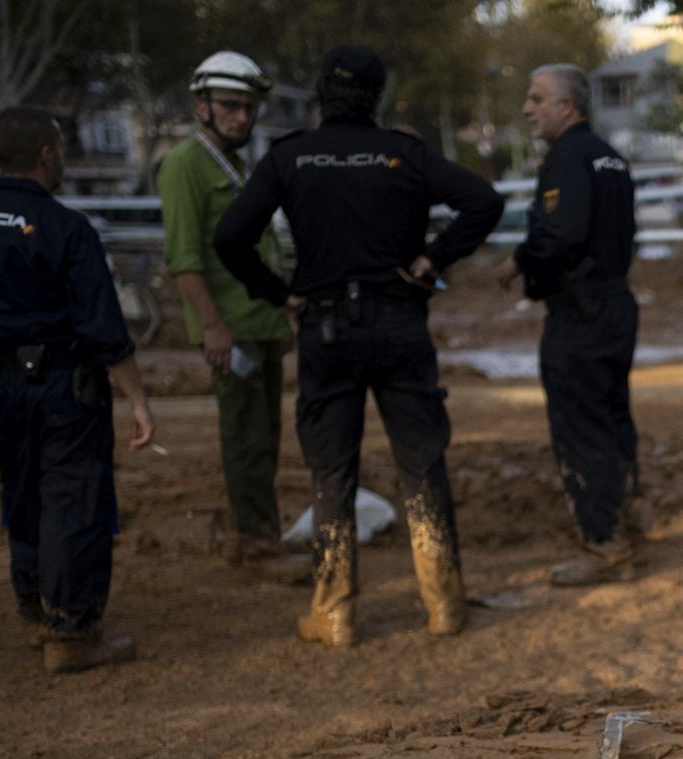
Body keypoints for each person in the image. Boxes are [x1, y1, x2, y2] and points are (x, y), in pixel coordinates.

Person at [214, 46, 503, 647]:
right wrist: (434, 258)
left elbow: (229, 237)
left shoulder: (290, 156)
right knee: (421, 463)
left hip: (324, 330)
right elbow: (484, 201)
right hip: (399, 323)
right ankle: (445, 602)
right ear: (377, 98)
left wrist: (277, 293)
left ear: (320, 96)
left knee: (332, 471)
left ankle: (335, 610)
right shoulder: (404, 153)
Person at [0, 106, 157, 675]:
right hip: (64, 388)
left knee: (24, 496)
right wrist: (137, 398)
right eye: (60, 149)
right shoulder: (67, 228)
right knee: (73, 503)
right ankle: (73, 630)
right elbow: (105, 330)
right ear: (46, 154)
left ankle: (35, 612)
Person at [157, 51, 305, 581]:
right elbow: (184, 258)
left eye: (248, 107)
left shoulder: (238, 165)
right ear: (201, 106)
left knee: (264, 436)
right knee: (245, 438)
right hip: (232, 332)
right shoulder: (183, 166)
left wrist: (279, 314)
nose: (241, 117)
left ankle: (259, 535)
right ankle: (258, 547)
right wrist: (213, 326)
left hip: (259, 324)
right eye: (229, 106)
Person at [496, 64, 642, 586]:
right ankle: (626, 526)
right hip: (615, 304)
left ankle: (605, 545)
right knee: (612, 417)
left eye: (537, 98)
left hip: (579, 313)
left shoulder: (567, 157)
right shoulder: (610, 156)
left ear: (567, 106)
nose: (527, 108)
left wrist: (520, 261)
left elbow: (559, 235)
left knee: (581, 429)